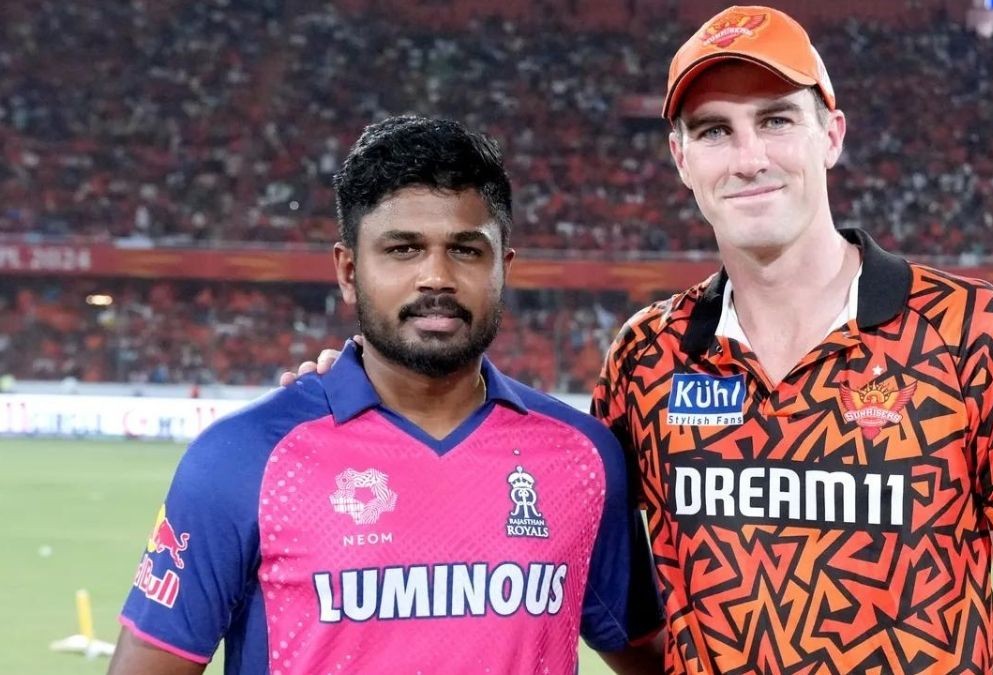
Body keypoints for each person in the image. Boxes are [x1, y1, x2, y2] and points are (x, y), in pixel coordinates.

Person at [287, 6, 993, 674]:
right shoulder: (648, 356)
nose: (749, 158)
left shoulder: (970, 331)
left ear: (832, 135)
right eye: (714, 131)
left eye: (776, 120)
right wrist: (383, 393)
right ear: (680, 157)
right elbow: (537, 494)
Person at [110, 115, 663, 675]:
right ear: (349, 271)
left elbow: (655, 656)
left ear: (504, 268)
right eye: (403, 249)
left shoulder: (582, 457)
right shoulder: (242, 458)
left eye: (466, 250)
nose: (436, 277)